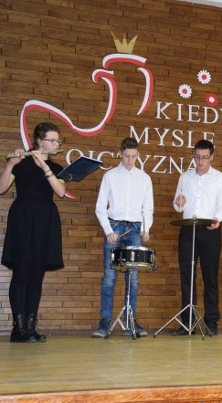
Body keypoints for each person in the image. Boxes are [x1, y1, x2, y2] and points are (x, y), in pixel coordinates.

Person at [0, 122, 66, 343]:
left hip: (45, 219)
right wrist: (10, 164)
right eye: (52, 140)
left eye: (57, 141)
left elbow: (61, 192)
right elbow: (0, 189)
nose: (56, 144)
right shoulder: (22, 163)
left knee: (37, 275)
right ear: (39, 141)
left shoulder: (55, 168)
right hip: (23, 218)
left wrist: (45, 167)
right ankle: (18, 329)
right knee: (21, 272)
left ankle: (30, 326)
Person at [92, 137, 154, 338]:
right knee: (109, 277)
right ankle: (104, 323)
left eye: (134, 156)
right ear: (120, 154)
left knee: (133, 278)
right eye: (127, 156)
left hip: (135, 230)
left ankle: (130, 321)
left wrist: (146, 229)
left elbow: (148, 208)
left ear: (138, 155)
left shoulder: (144, 178)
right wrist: (108, 230)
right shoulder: (110, 176)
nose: (130, 160)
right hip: (115, 228)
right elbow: (101, 207)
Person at [172, 139, 222, 336]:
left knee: (210, 276)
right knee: (187, 276)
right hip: (188, 230)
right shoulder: (185, 177)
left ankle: (211, 321)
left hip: (210, 229)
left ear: (212, 156)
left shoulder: (220, 178)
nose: (200, 161)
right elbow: (177, 206)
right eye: (197, 157)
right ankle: (188, 322)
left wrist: (217, 218)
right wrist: (179, 204)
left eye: (205, 157)